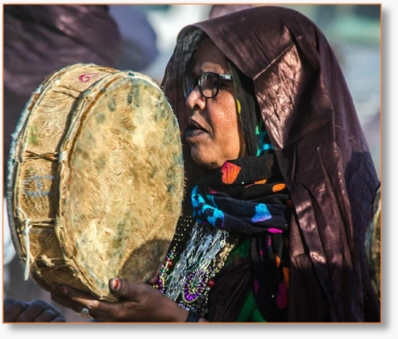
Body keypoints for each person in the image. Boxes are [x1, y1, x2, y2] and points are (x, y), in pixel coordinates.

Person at [4, 6, 380, 323]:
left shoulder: (311, 241)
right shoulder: (189, 213)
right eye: (194, 81)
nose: (195, 98)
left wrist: (174, 323)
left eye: (214, 82)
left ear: (270, 101)